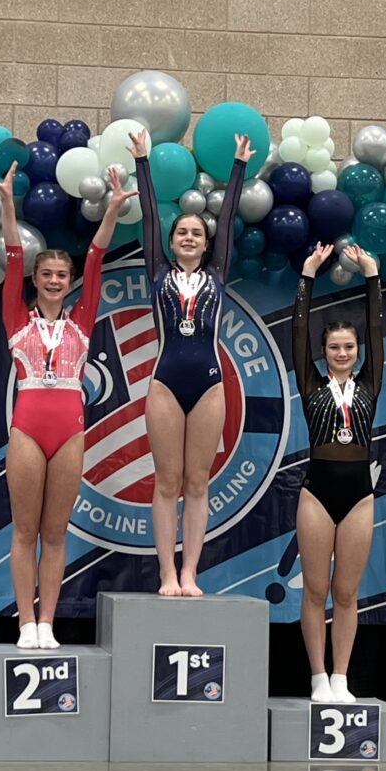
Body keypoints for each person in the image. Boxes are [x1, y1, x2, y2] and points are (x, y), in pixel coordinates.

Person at [0, 160, 135, 649]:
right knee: (24, 531)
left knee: (55, 533)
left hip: (70, 432)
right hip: (27, 430)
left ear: (69, 281)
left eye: (61, 275)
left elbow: (96, 257)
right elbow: (13, 254)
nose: (54, 280)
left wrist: (112, 210)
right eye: (46, 274)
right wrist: (7, 205)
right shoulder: (17, 318)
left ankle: (47, 622)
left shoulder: (82, 320)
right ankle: (24, 622)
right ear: (35, 280)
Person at [127, 129, 255, 597]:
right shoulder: (158, 272)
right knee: (167, 481)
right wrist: (142, 162)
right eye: (181, 232)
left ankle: (190, 572)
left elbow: (230, 214)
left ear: (206, 244)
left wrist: (239, 166)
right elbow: (148, 216)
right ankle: (166, 572)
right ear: (171, 240)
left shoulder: (217, 274)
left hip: (209, 385)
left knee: (197, 481)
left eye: (196, 233)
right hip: (164, 384)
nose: (188, 237)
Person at [292, 241, 384, 703]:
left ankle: (342, 678)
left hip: (359, 496)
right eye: (334, 347)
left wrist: (372, 277)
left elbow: (376, 326)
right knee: (315, 590)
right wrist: (307, 276)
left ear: (358, 351)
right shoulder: (311, 384)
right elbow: (299, 331)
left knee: (346, 593)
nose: (343, 352)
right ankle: (317, 677)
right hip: (317, 493)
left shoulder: (370, 383)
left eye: (349, 347)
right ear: (324, 352)